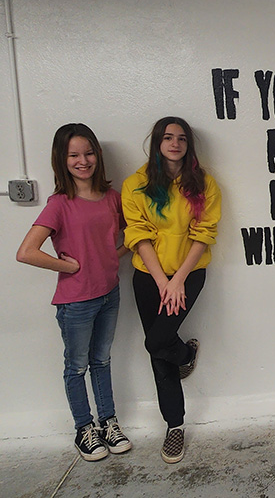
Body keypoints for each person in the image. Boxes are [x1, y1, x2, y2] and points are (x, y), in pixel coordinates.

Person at [16, 123, 132, 461]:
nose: (83, 160)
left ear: (97, 155)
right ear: (62, 160)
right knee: (77, 366)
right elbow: (26, 252)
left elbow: (133, 233)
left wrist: (114, 256)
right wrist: (68, 267)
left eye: (88, 153)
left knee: (102, 360)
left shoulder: (113, 198)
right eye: (74, 155)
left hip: (110, 292)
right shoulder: (59, 203)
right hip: (76, 301)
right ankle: (84, 428)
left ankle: (108, 422)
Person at [121, 116, 221, 464]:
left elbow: (204, 232)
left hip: (189, 273)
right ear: (157, 143)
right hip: (148, 277)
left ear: (188, 144)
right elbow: (137, 234)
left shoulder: (204, 184)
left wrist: (177, 279)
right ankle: (175, 425)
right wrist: (162, 281)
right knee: (159, 350)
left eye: (181, 138)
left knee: (156, 342)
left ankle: (185, 356)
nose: (174, 143)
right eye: (167, 137)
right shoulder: (135, 184)